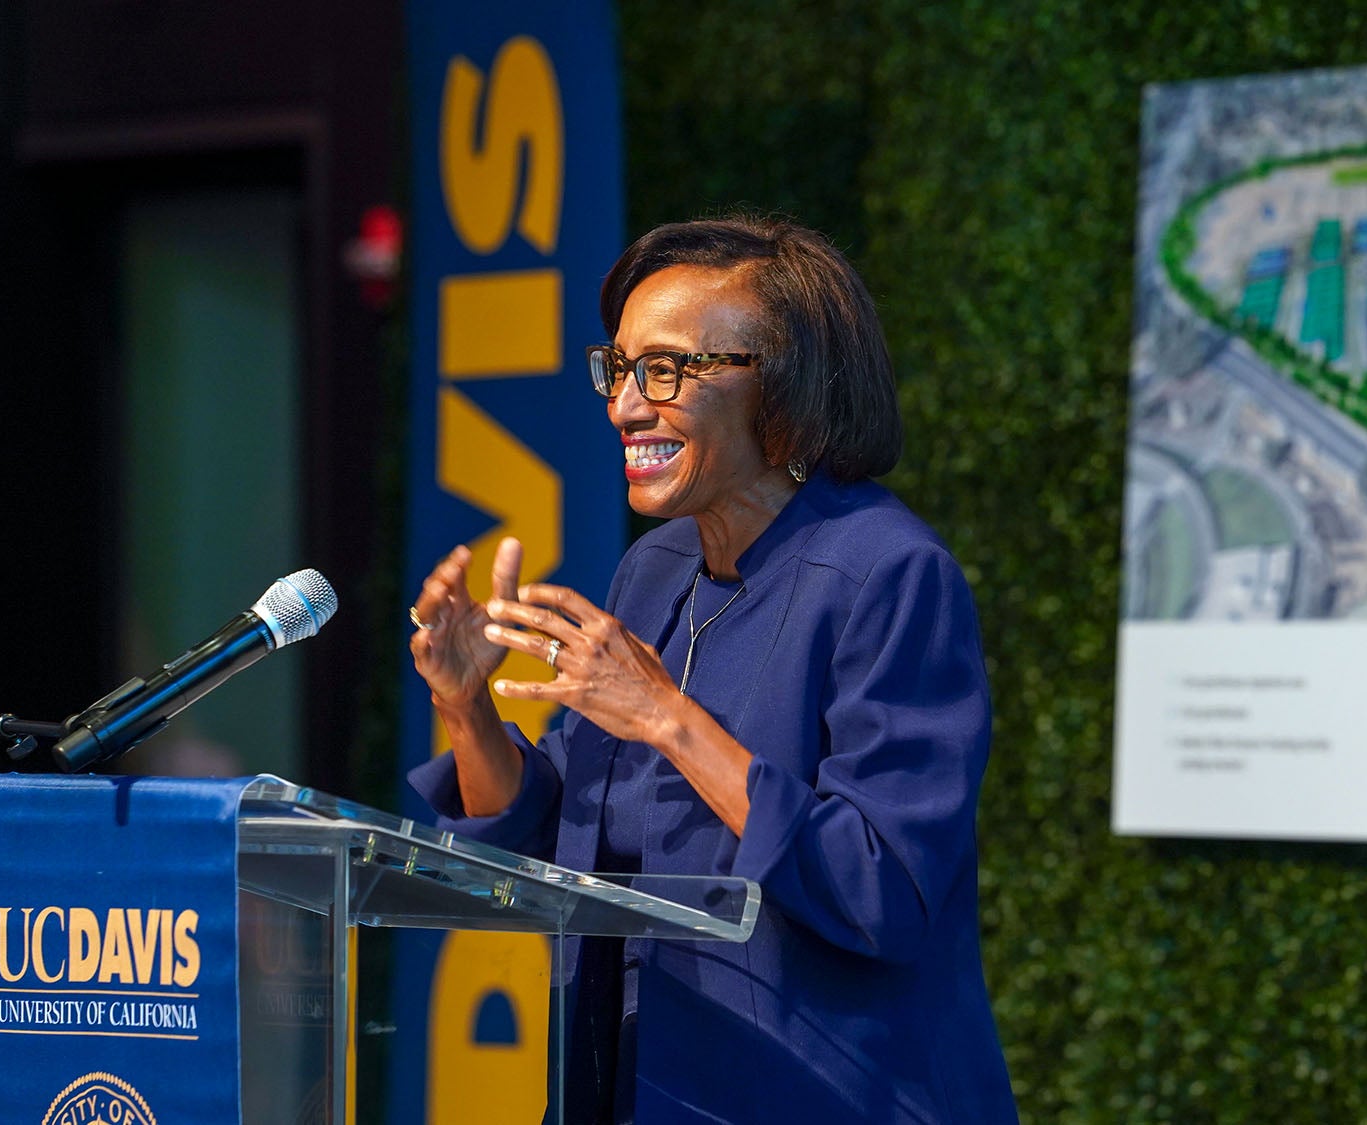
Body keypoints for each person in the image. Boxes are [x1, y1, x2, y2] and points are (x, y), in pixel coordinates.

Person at [405, 214, 1019, 1124]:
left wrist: (666, 717)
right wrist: (465, 705)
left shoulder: (891, 574)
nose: (623, 405)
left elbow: (883, 887)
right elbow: (559, 850)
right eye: (617, 369)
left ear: (785, 386)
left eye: (666, 369)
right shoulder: (653, 570)